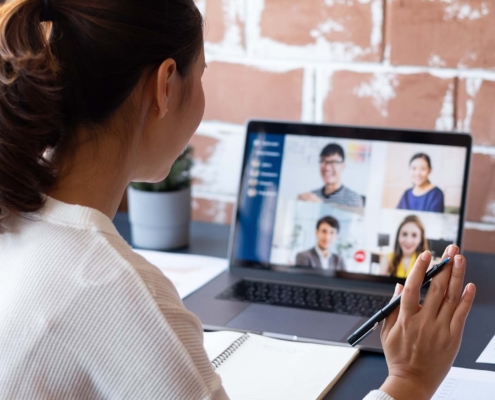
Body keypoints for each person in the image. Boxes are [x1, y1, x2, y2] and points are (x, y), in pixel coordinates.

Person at [0, 1, 475, 399]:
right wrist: (408, 382)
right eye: (201, 75)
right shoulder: (115, 294)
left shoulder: (15, 222)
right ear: (165, 86)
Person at [297, 143, 364, 208]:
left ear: (343, 166)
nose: (327, 168)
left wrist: (320, 206)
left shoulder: (353, 199)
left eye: (333, 162)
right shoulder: (312, 196)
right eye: (323, 161)